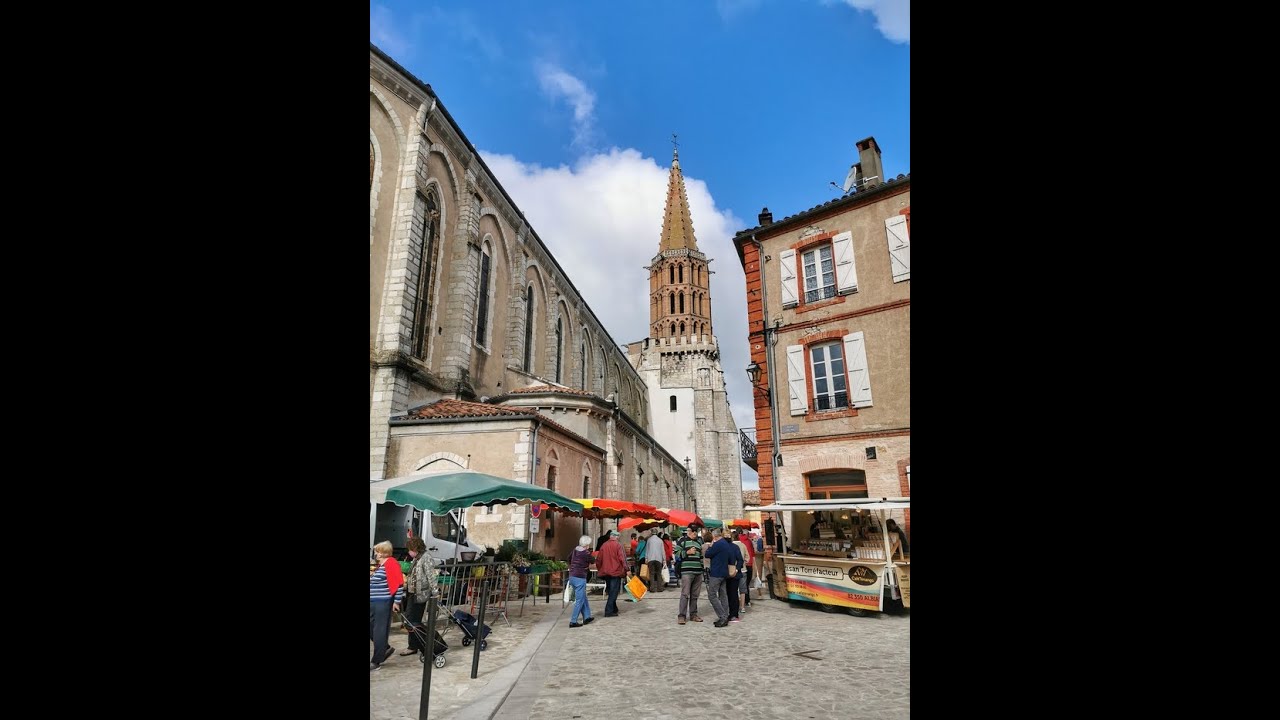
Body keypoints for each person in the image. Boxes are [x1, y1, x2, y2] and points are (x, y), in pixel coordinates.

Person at [398, 536, 438, 656]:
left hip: (420, 594)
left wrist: (435, 593)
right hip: (413, 593)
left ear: (416, 548)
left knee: (412, 621)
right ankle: (415, 645)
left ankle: (416, 645)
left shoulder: (426, 558)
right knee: (411, 620)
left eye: (410, 549)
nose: (409, 552)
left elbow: (431, 577)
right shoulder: (417, 558)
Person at [369, 540, 406, 671]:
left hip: (382, 602)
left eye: (377, 551)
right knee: (372, 628)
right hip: (374, 602)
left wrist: (396, 602)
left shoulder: (391, 563)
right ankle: (385, 648)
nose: (375, 554)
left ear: (384, 552)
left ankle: (377, 660)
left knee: (379, 631)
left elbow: (399, 584)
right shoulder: (382, 565)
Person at [704, 528, 741, 628]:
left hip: (716, 573)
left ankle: (722, 616)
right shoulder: (726, 544)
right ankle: (725, 615)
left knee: (712, 595)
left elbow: (707, 554)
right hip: (724, 572)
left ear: (714, 536)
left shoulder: (718, 544)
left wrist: (710, 546)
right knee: (723, 595)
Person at [675, 525, 705, 624]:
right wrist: (687, 552)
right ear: (688, 531)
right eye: (693, 531)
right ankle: (682, 616)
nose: (695, 533)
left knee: (695, 595)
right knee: (685, 594)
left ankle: (693, 614)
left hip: (698, 572)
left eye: (696, 531)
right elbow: (676, 554)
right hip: (687, 571)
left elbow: (701, 557)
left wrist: (702, 569)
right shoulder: (681, 541)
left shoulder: (699, 542)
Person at [596, 530, 629, 617]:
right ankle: (608, 611)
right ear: (616, 537)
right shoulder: (618, 545)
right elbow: (623, 558)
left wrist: (600, 568)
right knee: (614, 592)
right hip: (615, 571)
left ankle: (614, 608)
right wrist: (627, 569)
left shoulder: (604, 545)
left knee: (611, 590)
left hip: (606, 571)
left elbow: (599, 559)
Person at [567, 535, 595, 628]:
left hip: (572, 576)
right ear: (586, 545)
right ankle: (573, 621)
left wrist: (573, 566)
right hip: (580, 577)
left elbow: (569, 558)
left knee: (583, 597)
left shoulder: (575, 550)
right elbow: (592, 560)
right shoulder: (586, 553)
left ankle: (587, 616)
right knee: (579, 600)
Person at [732, 530, 753, 613]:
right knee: (742, 589)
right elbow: (747, 558)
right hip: (743, 569)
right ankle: (742, 607)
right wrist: (744, 562)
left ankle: (735, 605)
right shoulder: (743, 545)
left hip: (732, 569)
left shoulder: (730, 545)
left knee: (733, 589)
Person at [644, 528, 667, 593]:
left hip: (650, 558)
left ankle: (652, 588)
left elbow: (647, 550)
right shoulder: (660, 540)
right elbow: (663, 551)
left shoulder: (649, 540)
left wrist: (646, 558)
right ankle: (660, 588)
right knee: (659, 574)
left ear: (651, 533)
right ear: (656, 533)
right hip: (659, 559)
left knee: (651, 574)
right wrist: (664, 560)